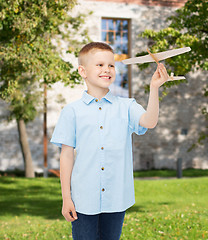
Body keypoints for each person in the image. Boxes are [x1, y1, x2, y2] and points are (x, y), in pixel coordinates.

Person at [50, 42, 170, 240]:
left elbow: (149, 121)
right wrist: (66, 198)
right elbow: (66, 155)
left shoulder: (127, 106)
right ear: (83, 71)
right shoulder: (72, 111)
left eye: (111, 65)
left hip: (116, 199)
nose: (107, 69)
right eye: (99, 65)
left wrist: (154, 88)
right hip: (82, 200)